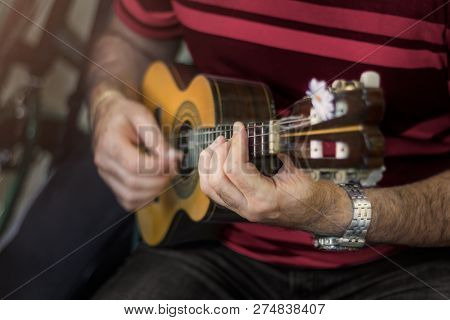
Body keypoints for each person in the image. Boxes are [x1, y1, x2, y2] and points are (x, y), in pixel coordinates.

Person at [88, 0, 450, 299]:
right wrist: (106, 103)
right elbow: (132, 39)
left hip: (404, 255)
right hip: (210, 243)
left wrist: (336, 212)